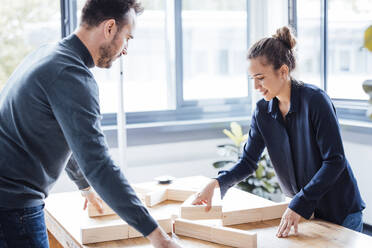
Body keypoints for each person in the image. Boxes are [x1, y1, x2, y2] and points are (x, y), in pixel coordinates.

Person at [0, 0, 181, 247]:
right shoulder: (70, 75)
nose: (126, 49)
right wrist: (158, 237)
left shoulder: (49, 53)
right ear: (109, 28)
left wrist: (85, 186)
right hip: (12, 206)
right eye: (128, 37)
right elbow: (98, 164)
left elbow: (69, 137)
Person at [192, 26, 365, 238]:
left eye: (260, 77)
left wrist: (299, 203)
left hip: (340, 211)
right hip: (306, 214)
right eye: (252, 79)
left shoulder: (315, 101)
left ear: (283, 72)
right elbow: (248, 162)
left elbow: (334, 161)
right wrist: (216, 183)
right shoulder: (263, 111)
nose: (255, 86)